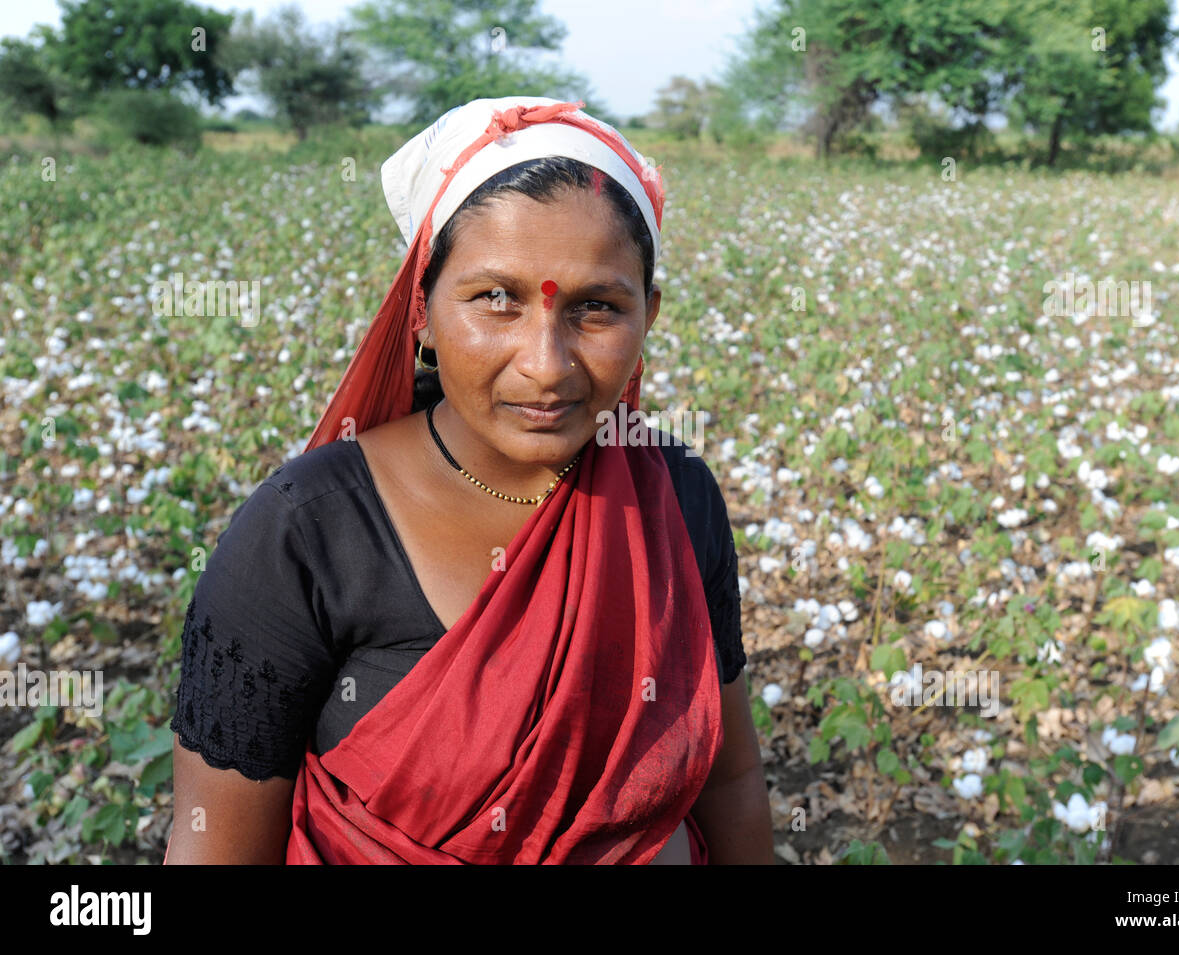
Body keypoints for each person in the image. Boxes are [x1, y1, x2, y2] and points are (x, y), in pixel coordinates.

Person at [164, 96, 775, 864]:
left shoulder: (677, 498)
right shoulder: (305, 533)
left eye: (596, 307)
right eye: (496, 299)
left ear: (648, 313)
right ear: (418, 309)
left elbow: (732, 780)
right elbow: (217, 849)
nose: (546, 365)